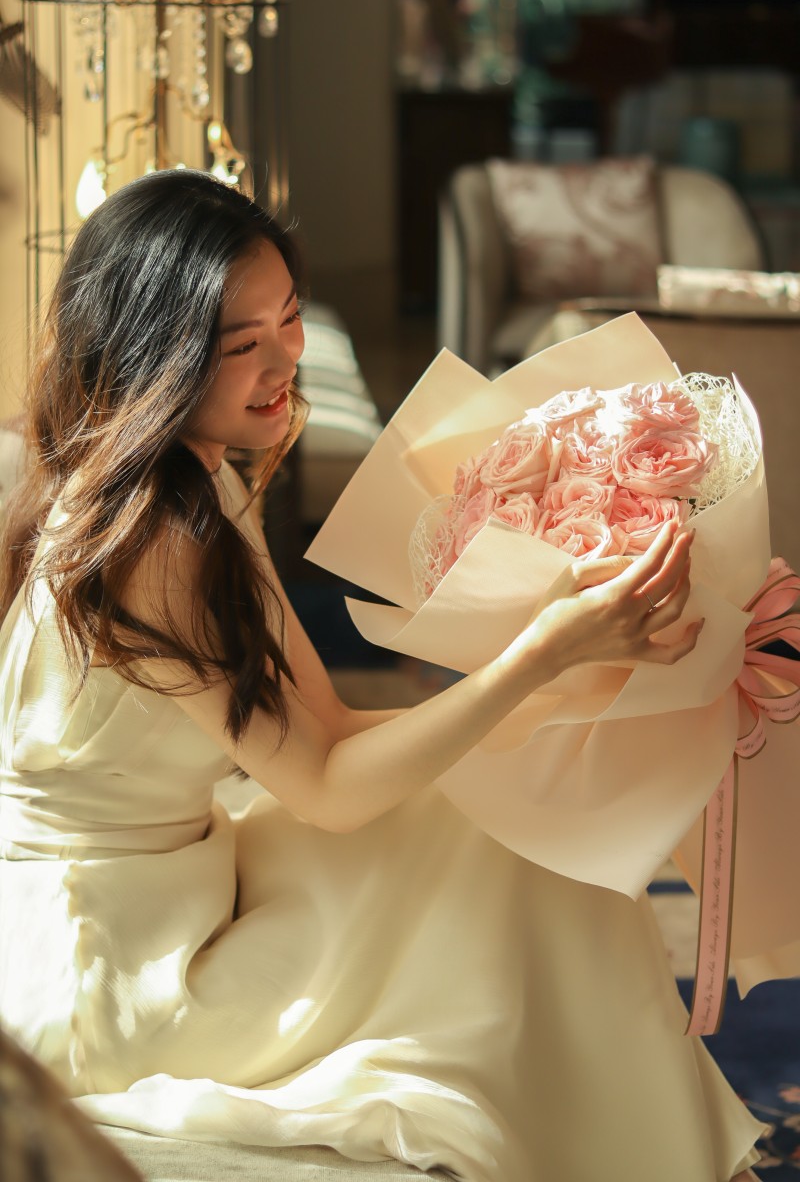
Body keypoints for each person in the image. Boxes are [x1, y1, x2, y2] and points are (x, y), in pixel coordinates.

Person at [0, 170, 763, 1182]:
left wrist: (555, 676)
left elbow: (326, 726)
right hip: (109, 973)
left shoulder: (188, 482)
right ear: (155, 354)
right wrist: (542, 653)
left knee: (509, 819)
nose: (284, 359)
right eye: (240, 344)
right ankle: (634, 1151)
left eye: (288, 317)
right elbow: (325, 786)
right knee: (492, 877)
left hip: (182, 890)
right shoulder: (157, 538)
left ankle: (634, 1148)